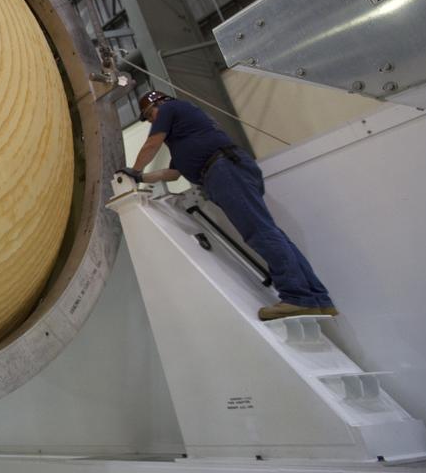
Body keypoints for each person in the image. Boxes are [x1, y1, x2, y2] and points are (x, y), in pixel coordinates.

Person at [119, 91, 336, 321]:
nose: (150, 121)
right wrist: (139, 178)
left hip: (223, 170)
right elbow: (172, 174)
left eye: (149, 116)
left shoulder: (170, 109)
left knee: (260, 233)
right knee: (269, 232)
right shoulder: (184, 133)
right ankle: (317, 299)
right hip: (226, 170)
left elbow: (152, 143)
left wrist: (134, 169)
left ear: (158, 104)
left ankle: (298, 297)